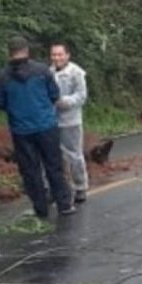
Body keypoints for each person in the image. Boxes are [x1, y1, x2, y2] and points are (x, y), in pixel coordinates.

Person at [0, 37, 75, 218]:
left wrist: (14, 107)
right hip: (46, 125)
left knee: (30, 170)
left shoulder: (1, 77)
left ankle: (41, 208)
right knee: (54, 165)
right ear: (26, 50)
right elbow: (54, 94)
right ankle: (64, 204)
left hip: (21, 130)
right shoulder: (42, 70)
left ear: (9, 52)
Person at [50, 43, 89, 204]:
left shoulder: (76, 72)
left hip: (71, 120)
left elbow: (81, 95)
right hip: (52, 120)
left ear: (67, 55)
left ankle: (80, 186)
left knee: (74, 155)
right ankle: (59, 188)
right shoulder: (49, 72)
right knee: (54, 156)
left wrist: (65, 101)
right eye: (54, 55)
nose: (57, 58)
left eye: (60, 54)